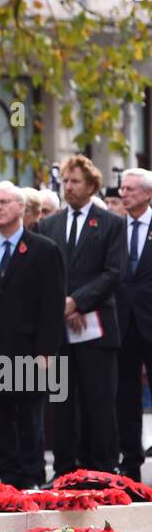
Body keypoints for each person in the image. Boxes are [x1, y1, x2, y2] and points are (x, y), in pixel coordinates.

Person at [0, 182, 65, 489]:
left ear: (21, 208)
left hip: (30, 351)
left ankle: (32, 478)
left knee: (29, 420)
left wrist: (46, 353)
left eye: (5, 202)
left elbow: (52, 306)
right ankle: (2, 482)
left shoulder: (45, 250)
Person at [38, 155, 125, 476]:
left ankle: (102, 468)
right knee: (61, 401)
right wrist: (62, 303)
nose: (69, 188)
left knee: (98, 400)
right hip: (60, 330)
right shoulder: (50, 224)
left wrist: (78, 302)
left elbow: (113, 272)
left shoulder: (111, 224)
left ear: (91, 186)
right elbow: (46, 272)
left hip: (97, 328)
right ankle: (64, 470)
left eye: (75, 182)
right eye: (65, 182)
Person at [115, 168, 152, 482]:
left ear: (148, 193)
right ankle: (130, 462)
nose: (123, 193)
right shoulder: (114, 228)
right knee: (125, 397)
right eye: (122, 188)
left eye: (130, 189)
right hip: (122, 326)